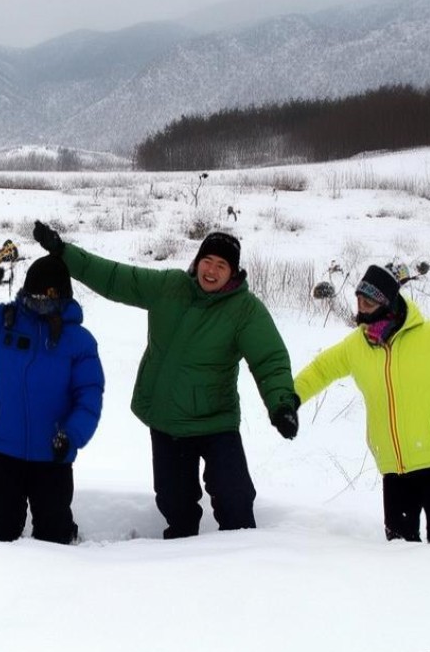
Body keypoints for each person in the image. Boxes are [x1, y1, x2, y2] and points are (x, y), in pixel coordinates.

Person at [32, 221, 299, 539]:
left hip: (217, 423)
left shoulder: (245, 310)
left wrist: (281, 403)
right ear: (197, 262)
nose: (211, 271)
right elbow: (115, 277)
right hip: (167, 421)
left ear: (234, 272)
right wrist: (64, 253)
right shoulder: (170, 286)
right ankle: (175, 566)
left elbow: (270, 360)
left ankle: (241, 562)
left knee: (235, 499)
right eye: (207, 261)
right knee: (176, 505)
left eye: (221, 265)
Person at [293, 267, 430, 549]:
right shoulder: (356, 346)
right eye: (359, 300)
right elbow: (320, 370)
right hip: (395, 467)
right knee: (398, 549)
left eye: (369, 302)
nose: (362, 308)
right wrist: (290, 399)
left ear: (388, 302)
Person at [0, 256, 105, 543]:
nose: (39, 302)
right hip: (4, 451)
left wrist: (71, 435)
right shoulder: (3, 322)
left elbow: (89, 395)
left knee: (55, 538)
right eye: (34, 294)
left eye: (49, 297)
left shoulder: (78, 341)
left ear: (63, 298)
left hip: (53, 455)